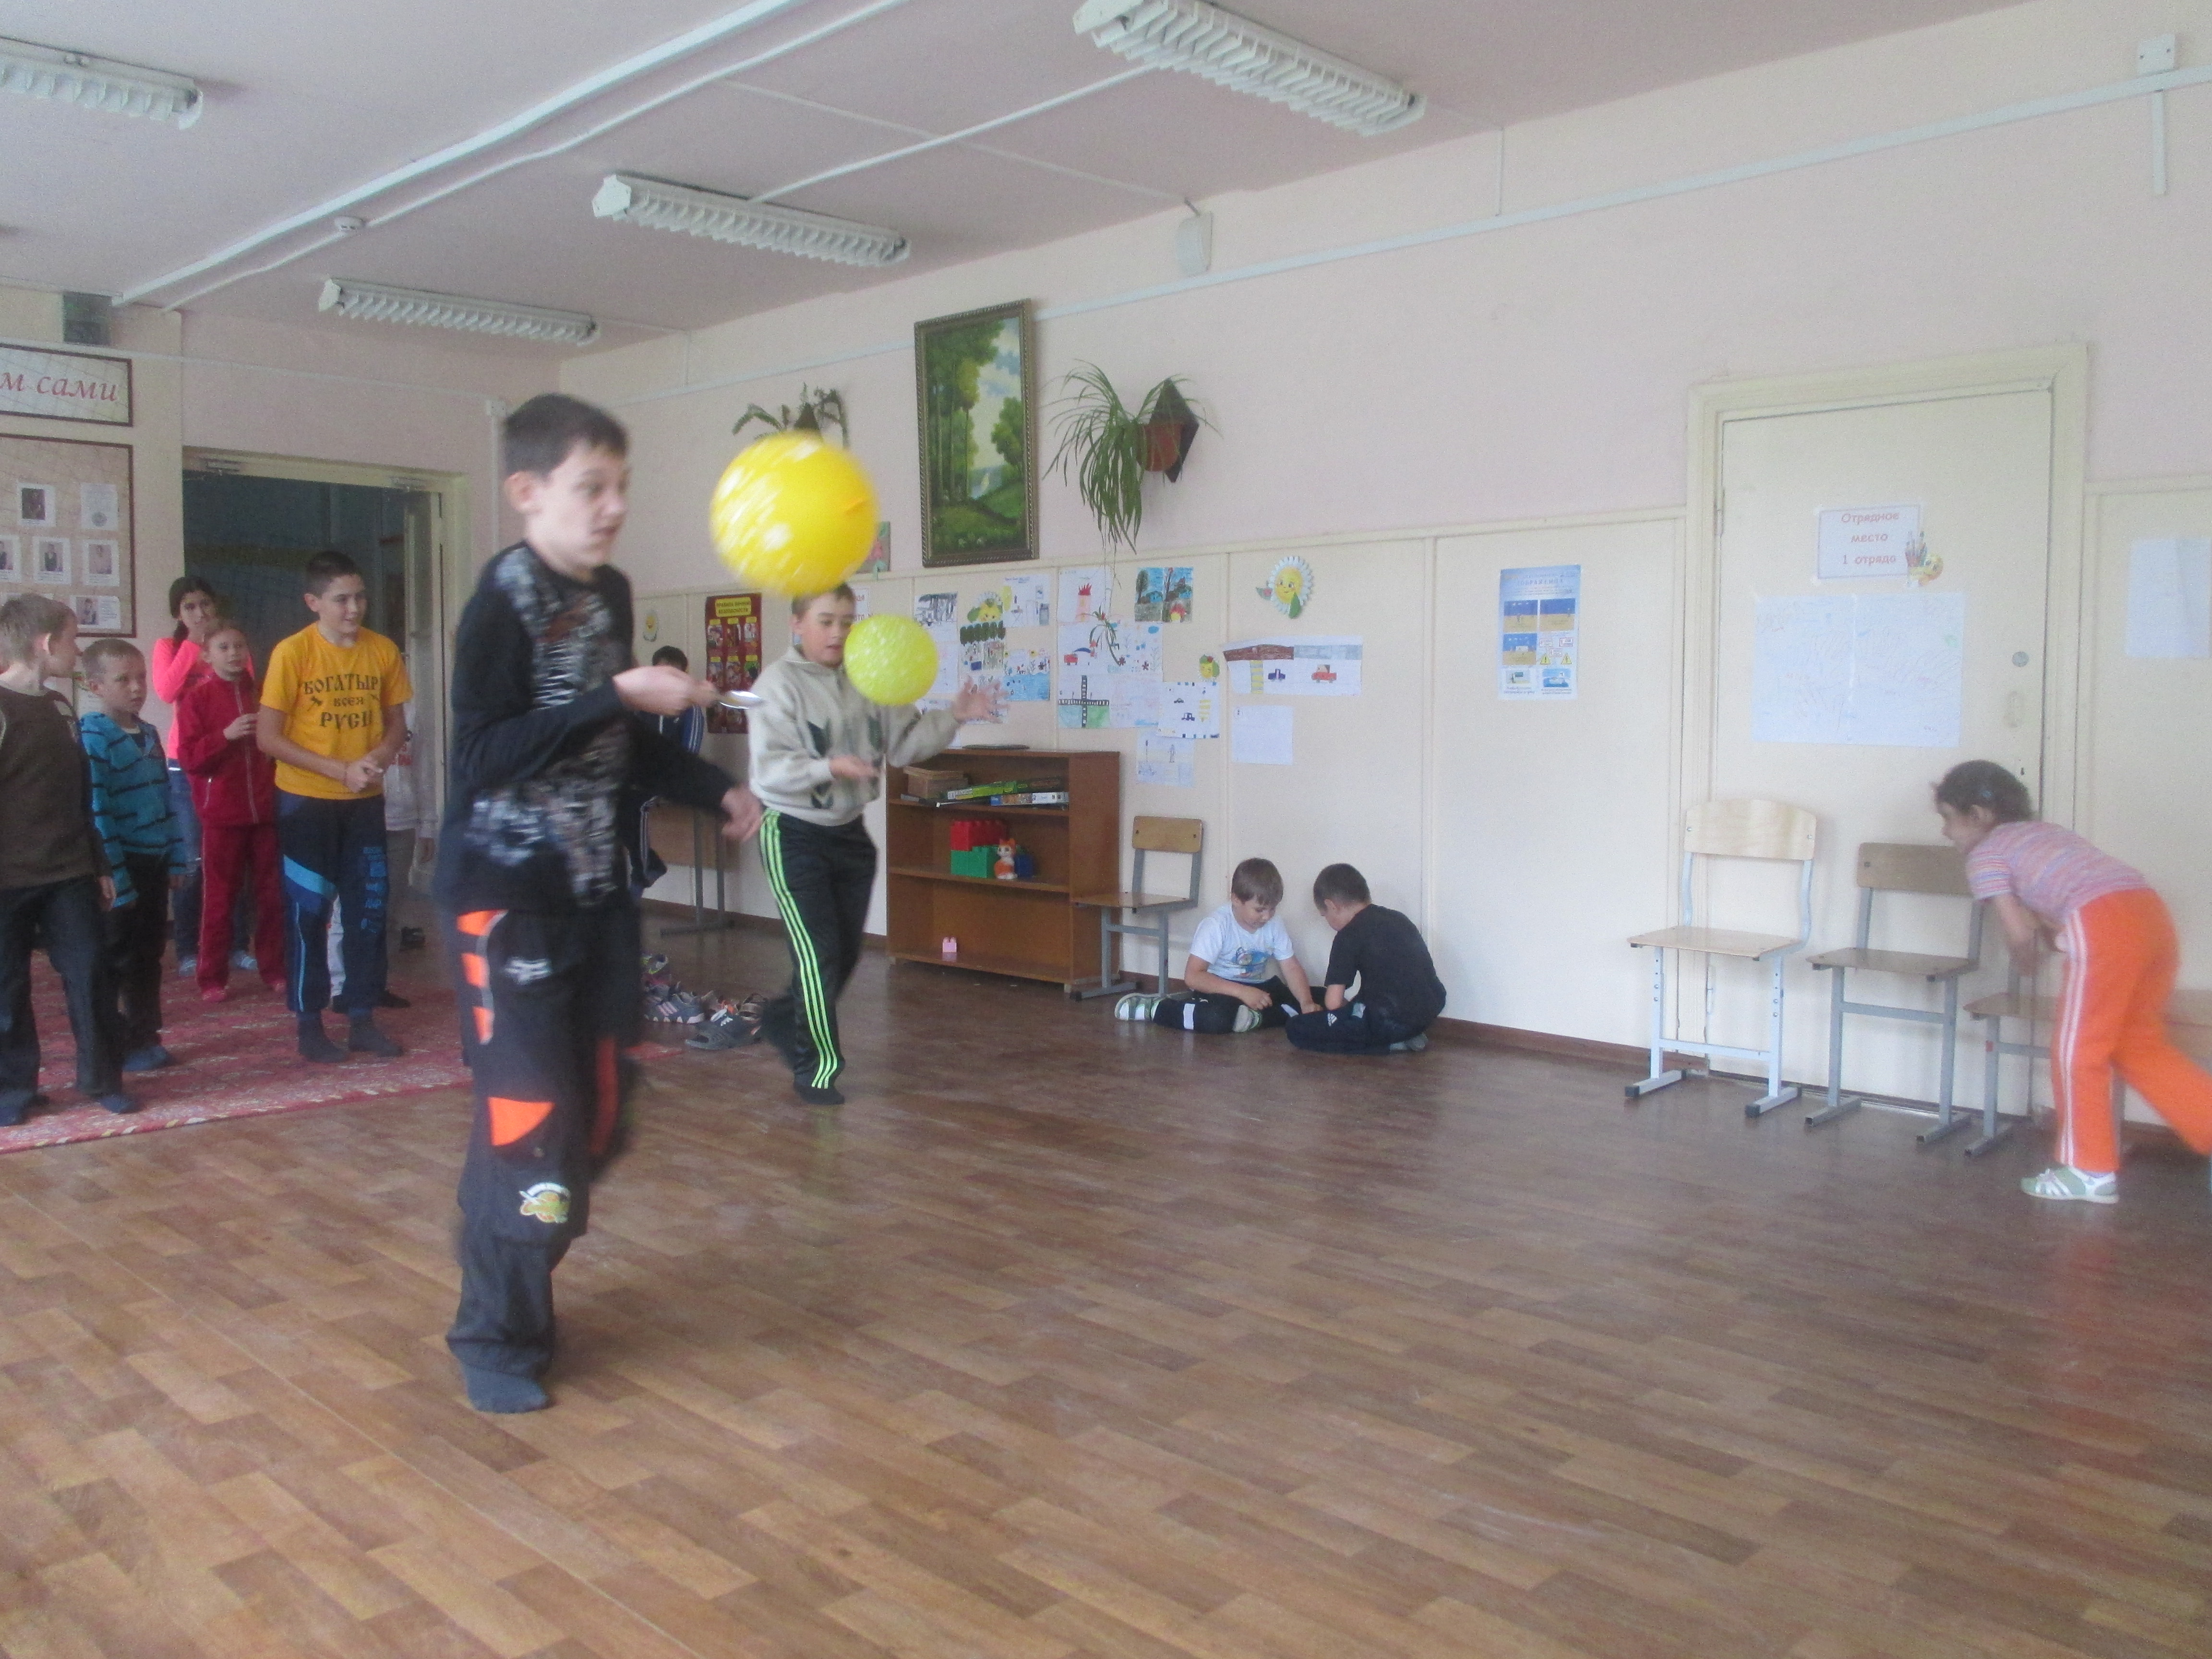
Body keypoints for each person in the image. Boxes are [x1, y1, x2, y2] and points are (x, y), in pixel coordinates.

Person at [437, 392, 758, 1414]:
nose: (614, 506)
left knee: (599, 1123)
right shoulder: (501, 601)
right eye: (591, 487)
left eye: (621, 485)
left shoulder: (609, 591)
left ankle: (499, 1217)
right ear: (528, 493)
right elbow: (482, 755)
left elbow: (613, 746)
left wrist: (714, 788)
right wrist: (613, 695)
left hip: (595, 898)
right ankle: (496, 1339)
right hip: (505, 903)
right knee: (535, 1134)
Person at [749, 586, 1000, 1105]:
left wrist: (955, 715)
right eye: (826, 621)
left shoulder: (870, 674)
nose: (838, 632)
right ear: (797, 624)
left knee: (844, 954)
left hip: (850, 834)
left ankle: (782, 1018)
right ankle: (817, 1070)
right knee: (818, 955)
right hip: (792, 832)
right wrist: (828, 767)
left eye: (847, 621)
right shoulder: (777, 685)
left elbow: (904, 745)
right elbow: (769, 771)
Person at [1936, 760, 2212, 1202]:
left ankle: (2090, 1170)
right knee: (2138, 1044)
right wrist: (2050, 939)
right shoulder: (2047, 834)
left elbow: (2019, 933)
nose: (1946, 832)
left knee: (2077, 1052)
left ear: (1979, 815)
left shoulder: (1985, 855)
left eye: (1948, 818)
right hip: (2151, 917)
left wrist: (2026, 960)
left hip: (2103, 922)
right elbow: (2053, 906)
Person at [257, 551, 410, 1063]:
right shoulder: (292, 653)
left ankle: (362, 1015)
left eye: (360, 597)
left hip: (364, 804)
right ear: (313, 602)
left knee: (368, 912)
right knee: (309, 914)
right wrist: (338, 770)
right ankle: (309, 1024)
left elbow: (396, 724)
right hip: (306, 804)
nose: (354, 608)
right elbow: (268, 738)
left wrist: (377, 759)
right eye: (341, 599)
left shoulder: (382, 651)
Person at [0, 597, 136, 1121]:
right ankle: (14, 1091)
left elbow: (82, 797)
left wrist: (99, 864)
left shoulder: (61, 709)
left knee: (92, 972)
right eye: (72, 639)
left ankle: (102, 1079)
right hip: (8, 879)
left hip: (69, 873)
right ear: (45, 643)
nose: (77, 651)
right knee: (7, 987)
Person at [78, 639, 191, 1071]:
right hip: (121, 866)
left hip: (155, 862)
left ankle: (145, 1035)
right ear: (95, 686)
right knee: (116, 957)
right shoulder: (93, 736)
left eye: (141, 678)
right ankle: (117, 1042)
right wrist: (116, 876)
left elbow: (166, 800)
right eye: (123, 679)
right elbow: (98, 811)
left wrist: (177, 857)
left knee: (149, 954)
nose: (136, 688)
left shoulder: (148, 734)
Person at [173, 621, 285, 1002]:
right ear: (207, 655)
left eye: (240, 646)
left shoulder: (266, 693)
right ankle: (212, 977)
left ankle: (275, 969)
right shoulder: (197, 700)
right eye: (224, 647)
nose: (234, 653)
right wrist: (226, 736)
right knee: (219, 900)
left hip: (267, 812)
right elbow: (189, 758)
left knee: (272, 897)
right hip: (221, 815)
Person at [154, 576, 251, 977]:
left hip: (231, 759)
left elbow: (247, 686)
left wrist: (219, 646)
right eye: (189, 607)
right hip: (186, 764)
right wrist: (195, 644)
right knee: (194, 859)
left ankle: (237, 945)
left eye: (205, 604)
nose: (200, 613)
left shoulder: (231, 644)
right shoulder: (170, 646)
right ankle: (188, 948)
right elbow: (165, 691)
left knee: (234, 857)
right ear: (178, 613)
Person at [1115, 857, 1319, 1032]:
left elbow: (1291, 967)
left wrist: (1307, 1002)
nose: (1267, 917)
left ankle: (1251, 1019)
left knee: (1320, 999)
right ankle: (1156, 1008)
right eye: (1260, 910)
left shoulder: (1274, 923)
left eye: (1272, 909)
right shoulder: (1216, 925)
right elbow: (1194, 977)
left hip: (1255, 987)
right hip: (1220, 989)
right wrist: (1242, 993)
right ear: (1236, 900)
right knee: (1217, 1018)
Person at [1283, 863, 1445, 1054]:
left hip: (1390, 1021)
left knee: (1296, 1028)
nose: (1327, 922)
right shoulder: (1398, 919)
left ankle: (1391, 1044)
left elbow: (1333, 1003)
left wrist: (1345, 1014)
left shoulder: (1348, 935)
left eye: (1324, 915)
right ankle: (1408, 1034)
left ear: (1332, 906)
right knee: (1360, 1003)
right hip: (1431, 1009)